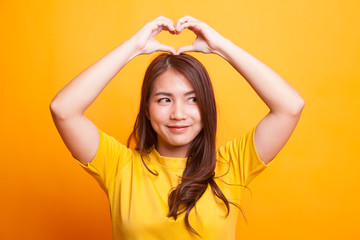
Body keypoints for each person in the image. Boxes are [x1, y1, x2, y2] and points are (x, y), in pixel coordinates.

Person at [50, 16, 304, 240]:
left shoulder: (231, 166)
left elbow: (290, 106)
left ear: (207, 108)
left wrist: (221, 47)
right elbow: (63, 109)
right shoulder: (119, 167)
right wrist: (133, 48)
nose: (178, 113)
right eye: (164, 99)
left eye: (192, 99)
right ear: (147, 109)